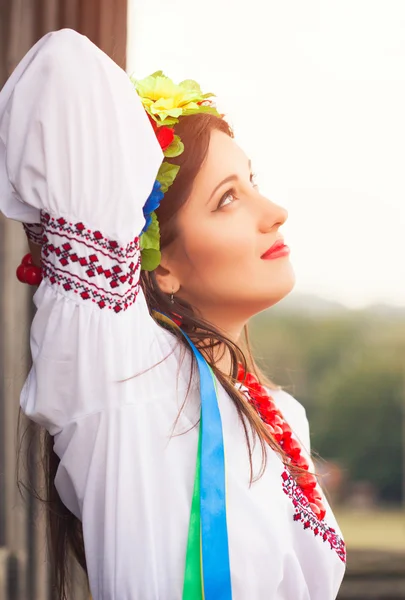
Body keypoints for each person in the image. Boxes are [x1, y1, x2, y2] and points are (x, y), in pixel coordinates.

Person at [0, 29, 346, 600]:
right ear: (160, 265)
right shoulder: (126, 374)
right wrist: (145, 141)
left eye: (252, 183)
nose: (276, 213)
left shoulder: (283, 415)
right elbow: (64, 72)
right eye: (227, 199)